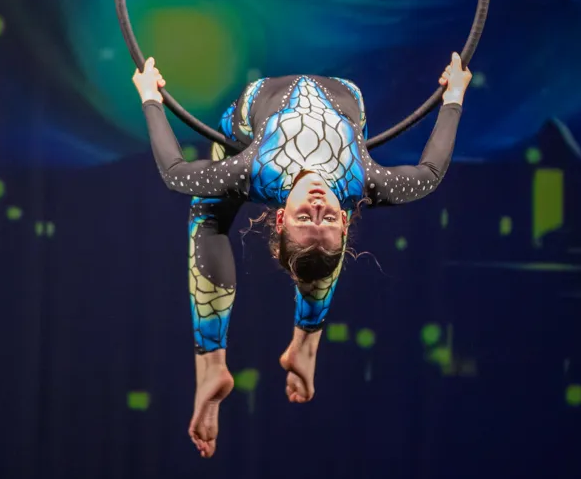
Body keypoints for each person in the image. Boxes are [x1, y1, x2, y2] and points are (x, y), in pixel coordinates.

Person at [133, 55, 471, 457]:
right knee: (317, 247)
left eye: (303, 216)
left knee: (207, 211)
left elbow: (174, 172)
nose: (316, 204)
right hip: (348, 98)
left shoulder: (253, 170)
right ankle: (306, 345)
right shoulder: (363, 182)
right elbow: (430, 174)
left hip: (248, 120)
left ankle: (210, 366)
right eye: (327, 215)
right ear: (344, 219)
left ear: (279, 217)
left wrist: (151, 96)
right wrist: (453, 97)